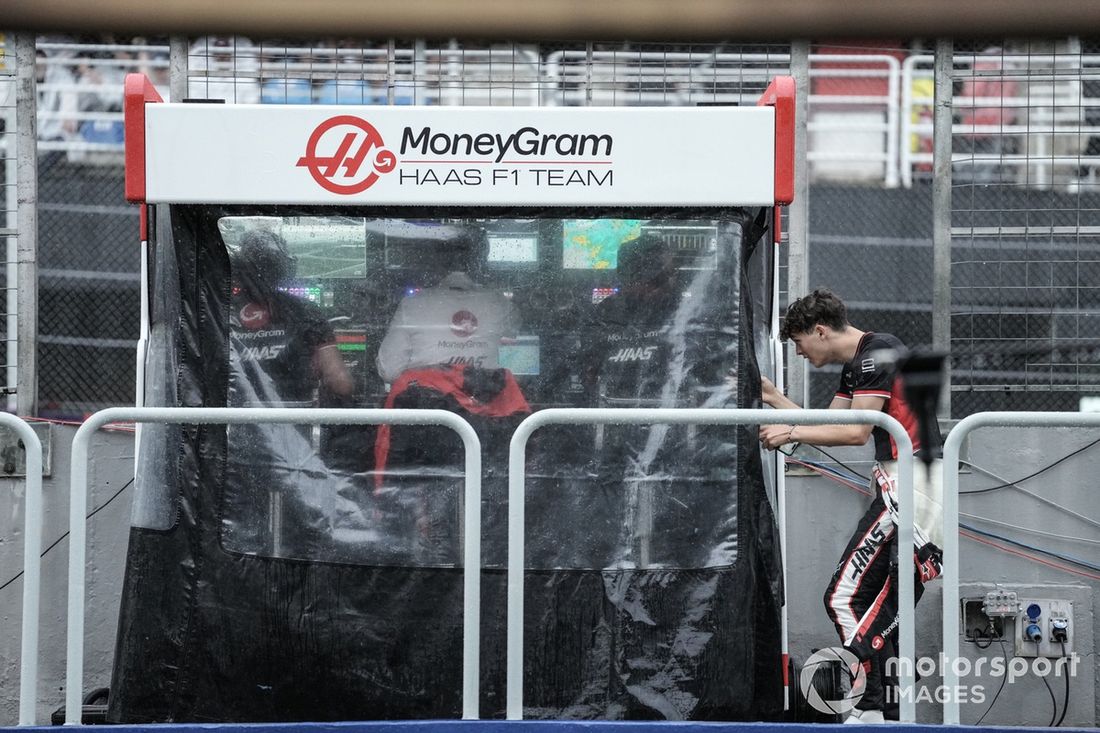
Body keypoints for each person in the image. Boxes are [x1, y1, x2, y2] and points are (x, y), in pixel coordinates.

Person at [758, 288, 943, 724]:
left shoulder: (874, 355)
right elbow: (828, 423)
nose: (800, 353)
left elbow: (857, 432)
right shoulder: (862, 359)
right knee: (875, 608)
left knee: (843, 597)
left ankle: (869, 708)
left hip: (909, 488)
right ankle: (885, 711)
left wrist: (788, 433)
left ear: (819, 330)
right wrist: (772, 397)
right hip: (903, 486)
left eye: (800, 343)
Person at [375, 229, 520, 385]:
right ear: (481, 261)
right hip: (485, 405)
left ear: (437, 261)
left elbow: (389, 370)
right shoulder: (501, 305)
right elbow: (516, 353)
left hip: (428, 405)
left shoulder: (411, 305)